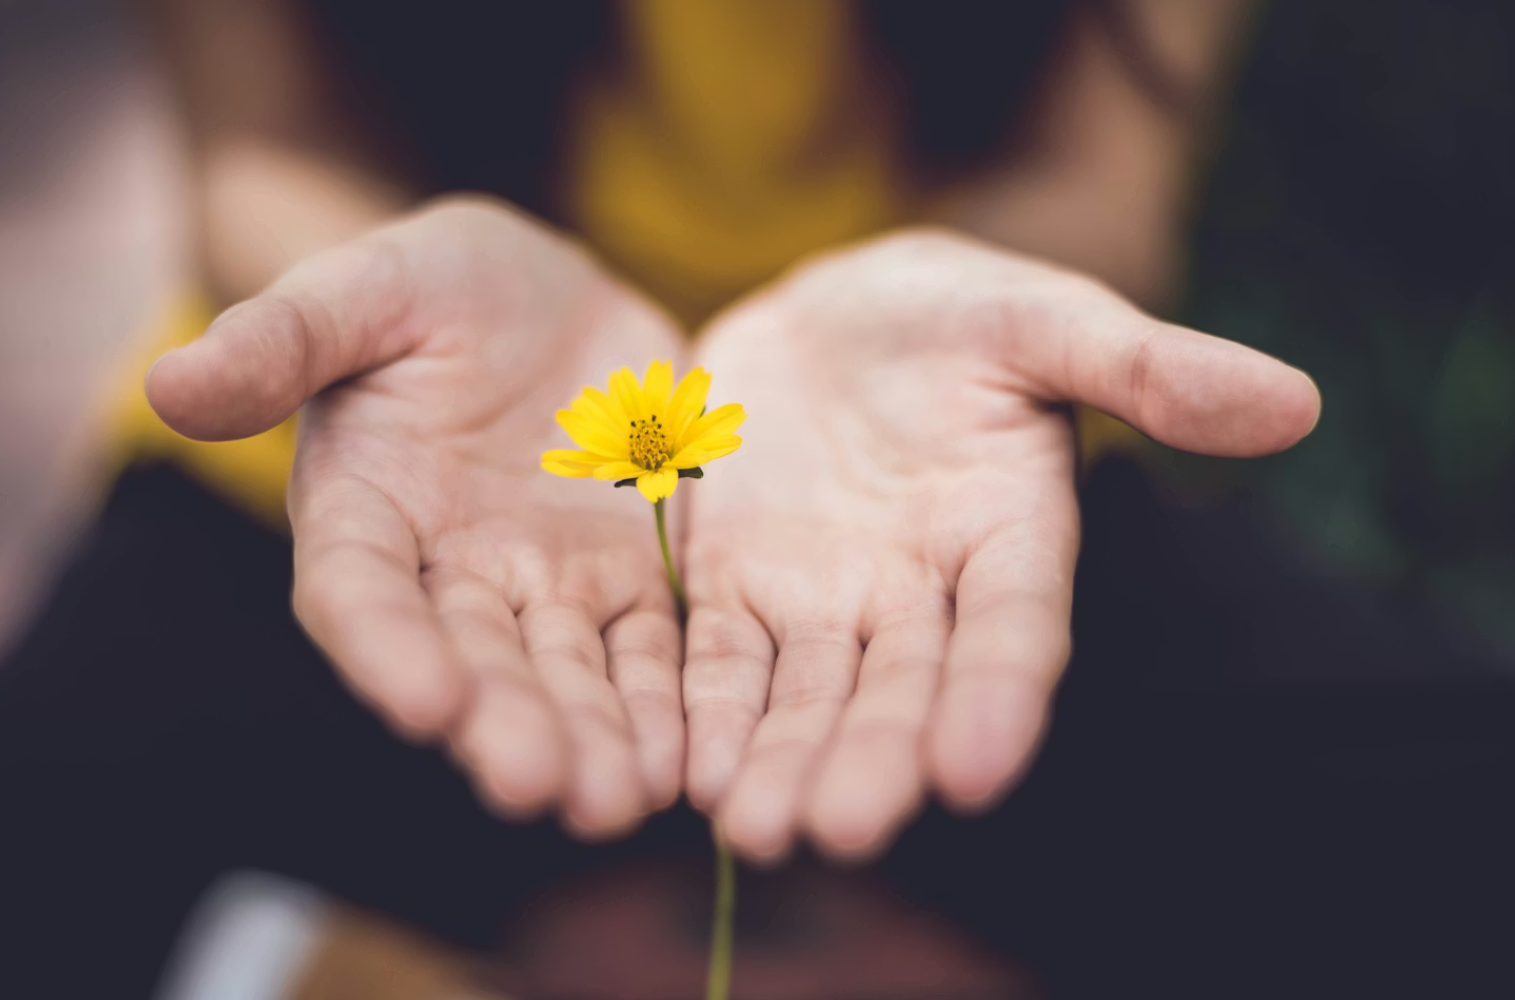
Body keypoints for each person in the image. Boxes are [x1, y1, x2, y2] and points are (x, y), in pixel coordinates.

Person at [2, 2, 1509, 997]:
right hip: (405, 479)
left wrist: (985, 288)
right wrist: (369, 300)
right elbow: (266, 146)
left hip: (920, 481)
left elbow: (1092, 178)